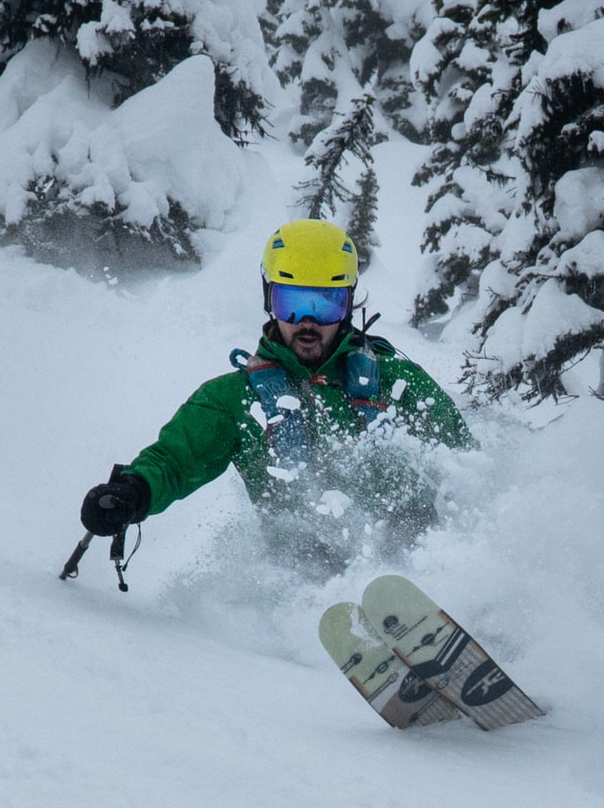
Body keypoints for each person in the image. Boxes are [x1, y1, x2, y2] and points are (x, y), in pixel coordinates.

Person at [79, 220, 473, 571]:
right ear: (270, 300)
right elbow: (176, 460)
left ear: (348, 304)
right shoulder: (233, 400)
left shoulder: (399, 383)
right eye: (293, 302)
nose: (308, 321)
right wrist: (133, 492)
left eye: (325, 303)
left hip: (416, 559)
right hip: (306, 573)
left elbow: (465, 465)